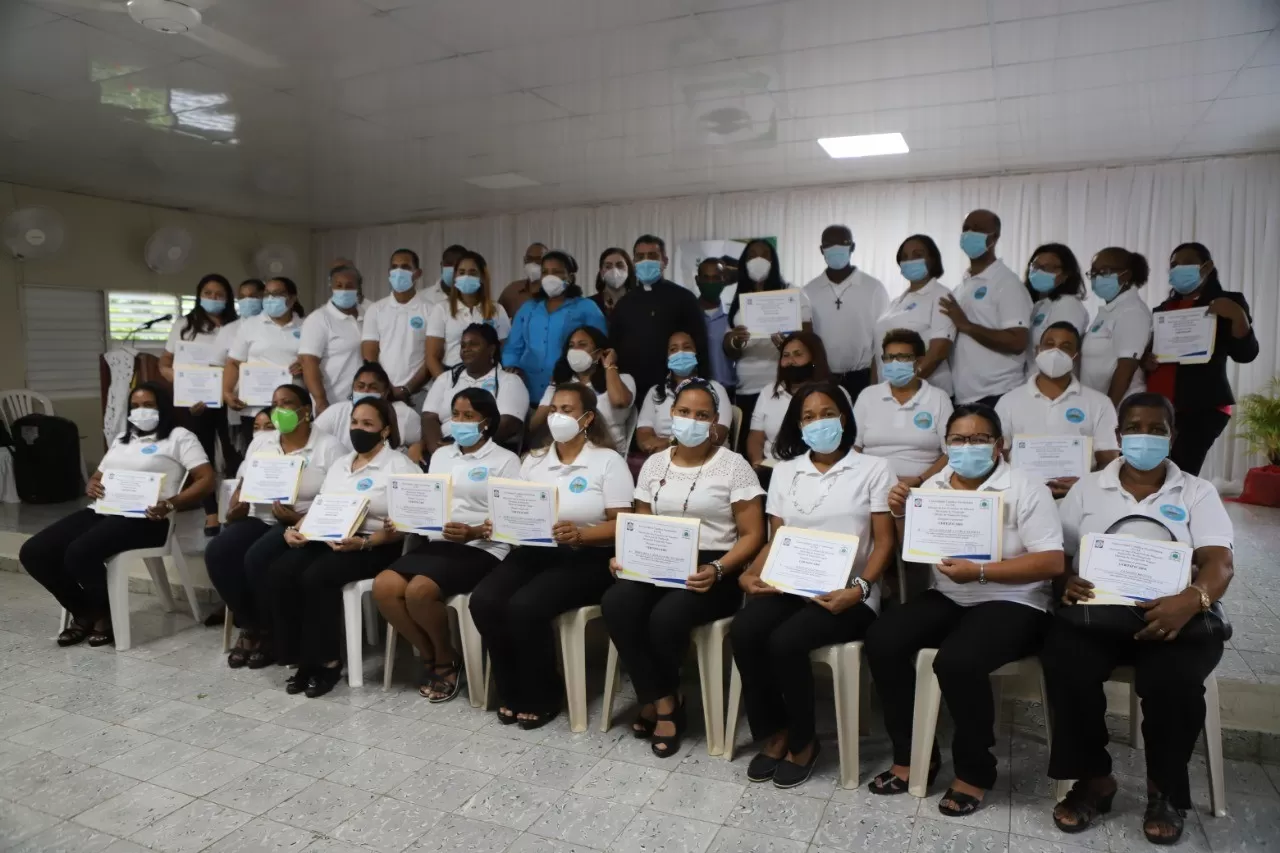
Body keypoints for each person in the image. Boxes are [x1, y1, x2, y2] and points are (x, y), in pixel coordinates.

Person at [1043, 393, 1235, 846]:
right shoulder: (1088, 489)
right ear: (1118, 435)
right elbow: (1060, 556)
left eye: (1156, 429)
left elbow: (1219, 563)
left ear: (1172, 436)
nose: (1144, 437)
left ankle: (1163, 789)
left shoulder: (1196, 491)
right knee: (1064, 661)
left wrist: (1191, 599)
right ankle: (1094, 779)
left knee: (1174, 682)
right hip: (1099, 614)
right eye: (1134, 427)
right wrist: (1064, 582)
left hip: (1174, 616)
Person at [865, 403, 1064, 815]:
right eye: (958, 439)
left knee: (958, 660)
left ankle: (975, 771)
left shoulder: (1026, 487)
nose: (967, 447)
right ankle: (913, 754)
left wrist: (982, 572)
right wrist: (902, 513)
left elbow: (1052, 562)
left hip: (1015, 601)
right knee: (884, 638)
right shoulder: (936, 485)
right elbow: (914, 551)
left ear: (999, 446)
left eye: (979, 439)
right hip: (952, 596)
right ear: (946, 445)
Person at [731, 380, 896, 788]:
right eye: (808, 416)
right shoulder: (785, 471)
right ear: (797, 425)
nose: (818, 422)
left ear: (844, 418)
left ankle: (805, 742)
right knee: (746, 629)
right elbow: (776, 537)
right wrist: (752, 572)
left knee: (785, 641)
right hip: (791, 583)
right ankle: (777, 730)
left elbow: (885, 541)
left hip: (849, 593)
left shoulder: (873, 468)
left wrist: (860, 588)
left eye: (827, 414)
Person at [603, 378, 765, 755]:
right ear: (671, 415)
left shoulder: (734, 466)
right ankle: (665, 700)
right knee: (617, 601)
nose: (691, 420)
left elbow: (753, 534)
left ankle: (658, 704)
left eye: (702, 415)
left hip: (713, 568)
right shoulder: (654, 463)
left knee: (666, 615)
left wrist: (720, 570)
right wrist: (625, 556)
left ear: (714, 423)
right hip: (658, 559)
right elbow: (641, 523)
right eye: (684, 412)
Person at [468, 383, 633, 728]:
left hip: (587, 556)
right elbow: (516, 509)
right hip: (536, 550)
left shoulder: (607, 460)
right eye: (554, 408)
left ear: (587, 418)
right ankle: (510, 688)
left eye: (568, 410)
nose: (558, 416)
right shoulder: (535, 460)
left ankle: (543, 694)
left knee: (526, 606)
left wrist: (582, 534)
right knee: (483, 600)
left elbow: (623, 525)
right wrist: (496, 522)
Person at [21, 383, 215, 648]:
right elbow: (99, 475)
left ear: (162, 408)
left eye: (148, 405)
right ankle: (84, 610)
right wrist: (92, 484)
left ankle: (103, 616)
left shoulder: (180, 437)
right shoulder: (124, 437)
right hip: (105, 510)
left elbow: (206, 479)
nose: (141, 411)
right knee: (34, 551)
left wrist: (171, 503)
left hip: (149, 519)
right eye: (135, 406)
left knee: (80, 552)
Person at [373, 387, 521, 701]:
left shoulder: (506, 460)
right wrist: (403, 519)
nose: (459, 421)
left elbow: (512, 518)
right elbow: (427, 501)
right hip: (438, 543)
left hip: (482, 548)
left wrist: (475, 531)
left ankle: (443, 659)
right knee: (384, 586)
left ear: (486, 422)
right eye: (456, 414)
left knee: (419, 591)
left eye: (469, 415)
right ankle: (435, 655)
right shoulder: (441, 455)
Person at [270, 398, 420, 697]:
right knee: (281, 570)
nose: (358, 429)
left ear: (385, 430)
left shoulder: (401, 467)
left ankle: (327, 661)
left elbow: (405, 529)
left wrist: (365, 542)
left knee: (316, 577)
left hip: (375, 546)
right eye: (354, 422)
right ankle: (302, 657)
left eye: (367, 424)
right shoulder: (341, 464)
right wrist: (294, 529)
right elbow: (321, 506)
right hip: (332, 537)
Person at [207, 384, 344, 669]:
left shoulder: (328, 447)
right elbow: (244, 482)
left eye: (286, 403)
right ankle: (252, 625)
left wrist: (296, 518)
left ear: (305, 411)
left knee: (257, 557)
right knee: (218, 552)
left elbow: (337, 498)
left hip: (300, 523)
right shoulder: (262, 442)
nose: (278, 410)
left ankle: (272, 633)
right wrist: (237, 505)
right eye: (274, 403)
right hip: (259, 516)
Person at [1144, 243, 1258, 475]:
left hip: (1203, 405)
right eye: (1173, 265)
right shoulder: (1163, 309)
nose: (1177, 269)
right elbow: (1149, 354)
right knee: (1153, 471)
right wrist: (1146, 361)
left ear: (1206, 267)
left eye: (1185, 263)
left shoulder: (1228, 302)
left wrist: (1238, 316)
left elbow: (1246, 354)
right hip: (1160, 404)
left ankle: (1179, 511)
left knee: (1181, 472)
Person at [996, 322, 1120, 497]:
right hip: (1022, 497)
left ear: (1075, 356)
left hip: (1079, 498)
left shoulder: (1100, 403)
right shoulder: (1008, 402)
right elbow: (999, 456)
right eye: (1050, 344)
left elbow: (1109, 461)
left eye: (1065, 347)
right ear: (1038, 350)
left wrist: (1084, 484)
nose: (1055, 352)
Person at [159, 273, 240, 535]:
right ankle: (211, 515)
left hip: (231, 401)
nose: (213, 298)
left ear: (228, 299)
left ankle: (234, 510)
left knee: (234, 456)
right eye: (208, 293)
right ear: (199, 295)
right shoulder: (184, 325)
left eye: (219, 294)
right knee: (201, 457)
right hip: (195, 404)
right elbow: (164, 364)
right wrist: (184, 386)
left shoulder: (238, 327)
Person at [725, 239, 811, 450]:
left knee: (786, 444)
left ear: (774, 261)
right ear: (744, 263)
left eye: (764, 255)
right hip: (747, 387)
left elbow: (809, 339)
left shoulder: (792, 293)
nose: (758, 260)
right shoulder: (736, 296)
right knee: (750, 449)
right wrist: (734, 341)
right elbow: (730, 351)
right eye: (752, 255)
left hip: (783, 384)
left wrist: (789, 344)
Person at [941, 210, 1032, 406]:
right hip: (966, 396)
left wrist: (967, 326)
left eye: (979, 229)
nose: (970, 233)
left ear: (995, 237)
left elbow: (1017, 341)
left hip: (999, 394)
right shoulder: (962, 286)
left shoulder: (1006, 283)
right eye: (966, 229)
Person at [611, 235, 708, 410]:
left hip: (674, 392)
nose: (645, 261)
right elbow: (614, 348)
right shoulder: (624, 303)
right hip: (633, 394)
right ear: (633, 262)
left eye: (652, 256)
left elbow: (701, 348)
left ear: (665, 261)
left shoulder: (684, 299)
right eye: (640, 257)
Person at [502, 249, 607, 398]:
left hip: (569, 388)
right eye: (545, 272)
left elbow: (600, 347)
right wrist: (512, 368)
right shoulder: (528, 308)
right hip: (527, 388)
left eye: (556, 272)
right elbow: (513, 347)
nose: (550, 277)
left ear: (570, 277)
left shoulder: (587, 307)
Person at [854, 329, 952, 486]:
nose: (895, 363)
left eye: (902, 357)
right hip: (871, 484)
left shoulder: (938, 398)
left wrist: (921, 480)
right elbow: (854, 448)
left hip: (923, 487)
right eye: (889, 357)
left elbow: (951, 452)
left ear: (919, 361)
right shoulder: (868, 396)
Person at [803, 224, 888, 404]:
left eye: (842, 243)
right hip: (822, 377)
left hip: (863, 377)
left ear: (853, 247)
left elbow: (882, 340)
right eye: (829, 244)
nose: (835, 249)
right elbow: (806, 339)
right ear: (821, 250)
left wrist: (876, 383)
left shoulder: (873, 288)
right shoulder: (808, 291)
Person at [422, 323, 528, 456]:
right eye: (463, 345)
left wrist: (462, 447)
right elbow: (428, 417)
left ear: (492, 349)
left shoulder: (509, 381)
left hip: (486, 453)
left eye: (474, 344)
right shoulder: (446, 378)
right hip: (444, 449)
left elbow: (508, 424)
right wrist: (438, 451)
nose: (466, 349)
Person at [530, 326, 635, 454]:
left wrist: (609, 366)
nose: (575, 350)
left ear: (598, 353)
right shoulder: (561, 383)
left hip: (606, 453)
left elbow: (619, 401)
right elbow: (534, 424)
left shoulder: (622, 379)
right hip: (566, 452)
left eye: (582, 345)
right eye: (571, 345)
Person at [874, 235, 956, 395]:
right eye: (905, 257)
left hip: (924, 393)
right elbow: (877, 354)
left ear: (932, 259)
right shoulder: (896, 302)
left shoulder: (941, 295)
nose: (910, 260)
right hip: (889, 394)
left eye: (917, 255)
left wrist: (905, 387)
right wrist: (876, 392)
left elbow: (939, 351)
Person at [746, 332, 842, 468]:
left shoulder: (835, 393)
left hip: (819, 468)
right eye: (786, 356)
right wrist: (757, 462)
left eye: (798, 354)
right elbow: (756, 437)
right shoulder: (768, 392)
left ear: (814, 359)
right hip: (774, 468)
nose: (790, 361)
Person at [224, 277, 305, 436]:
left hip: (292, 407)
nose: (270, 299)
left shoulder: (306, 326)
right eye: (267, 294)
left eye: (276, 294)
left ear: (292, 298)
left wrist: (305, 364)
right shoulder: (250, 325)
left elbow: (316, 361)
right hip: (255, 409)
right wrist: (226, 392)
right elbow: (233, 363)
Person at [635, 330, 732, 458]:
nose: (680, 353)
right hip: (663, 458)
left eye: (687, 348)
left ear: (696, 353)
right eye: (673, 349)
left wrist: (671, 443)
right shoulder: (655, 392)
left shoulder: (716, 389)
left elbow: (717, 435)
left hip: (706, 458)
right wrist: (654, 446)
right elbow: (643, 434)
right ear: (667, 357)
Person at [1080, 247, 1152, 407]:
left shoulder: (1132, 311)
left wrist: (1108, 411)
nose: (1097, 277)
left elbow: (1126, 368)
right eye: (1094, 272)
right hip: (1097, 403)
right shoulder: (1111, 310)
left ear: (1126, 275)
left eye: (1104, 271)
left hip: (1121, 407)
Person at [360, 249, 432, 405]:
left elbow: (432, 356)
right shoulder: (376, 309)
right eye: (394, 267)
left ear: (418, 273)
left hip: (420, 394)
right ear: (389, 273)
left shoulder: (431, 310)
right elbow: (369, 354)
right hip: (382, 393)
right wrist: (386, 387)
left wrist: (407, 389)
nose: (399, 272)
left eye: (405, 267)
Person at [425, 250, 511, 378]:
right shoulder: (441, 309)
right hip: (451, 375)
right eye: (461, 272)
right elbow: (432, 357)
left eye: (472, 273)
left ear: (482, 277)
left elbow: (506, 351)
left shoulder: (497, 310)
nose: (466, 277)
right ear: (455, 277)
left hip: (488, 377)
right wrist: (445, 385)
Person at [314, 362, 423, 455]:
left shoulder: (403, 413)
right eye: (360, 386)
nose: (365, 391)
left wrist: (418, 448)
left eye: (373, 387)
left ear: (385, 393)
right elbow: (312, 437)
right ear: (353, 388)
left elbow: (423, 440)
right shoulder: (337, 411)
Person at [299, 264, 365, 414]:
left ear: (358, 288)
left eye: (349, 286)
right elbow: (308, 363)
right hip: (332, 402)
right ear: (331, 287)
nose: (343, 290)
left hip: (365, 402)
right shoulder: (319, 319)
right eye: (338, 285)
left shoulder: (368, 315)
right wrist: (321, 401)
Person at [220, 278, 266, 452]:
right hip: (243, 401)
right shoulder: (231, 330)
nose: (248, 301)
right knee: (246, 448)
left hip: (274, 400)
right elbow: (220, 365)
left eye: (253, 296)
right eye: (243, 297)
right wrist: (226, 392)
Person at [1025, 243, 1089, 360]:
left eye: (1046, 268)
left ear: (1066, 274)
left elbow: (1059, 355)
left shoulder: (1068, 305)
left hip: (1051, 377)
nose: (1038, 272)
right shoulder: (1039, 304)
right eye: (1035, 266)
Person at [695, 257, 737, 394]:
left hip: (727, 390)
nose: (711, 282)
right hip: (696, 390)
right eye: (706, 278)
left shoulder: (734, 316)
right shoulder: (687, 315)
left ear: (724, 280)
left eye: (716, 277)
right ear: (697, 280)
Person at [498, 242, 547, 318]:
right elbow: (497, 318)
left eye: (539, 260)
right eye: (530, 259)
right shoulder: (511, 291)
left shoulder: (554, 292)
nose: (533, 263)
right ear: (524, 260)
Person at [591, 247, 635, 320]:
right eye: (608, 266)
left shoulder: (639, 303)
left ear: (629, 270)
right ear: (601, 272)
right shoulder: (590, 304)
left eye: (620, 265)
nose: (614, 270)